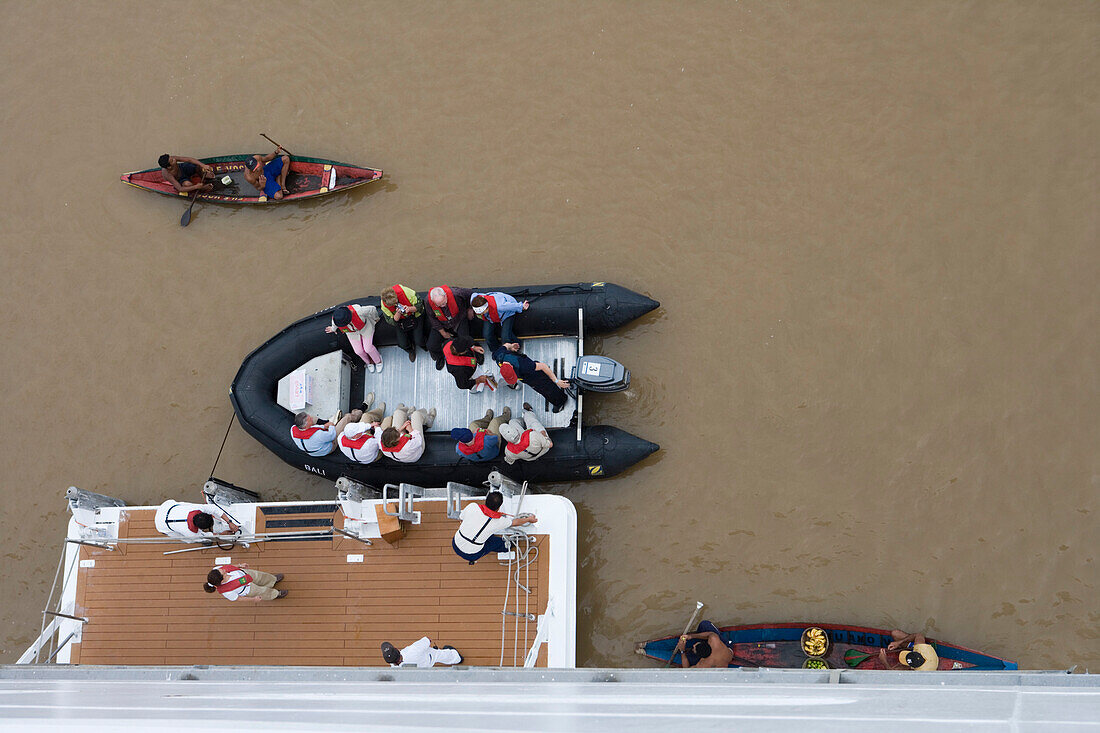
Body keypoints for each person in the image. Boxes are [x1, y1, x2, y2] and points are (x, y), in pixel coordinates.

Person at [451, 490, 537, 565]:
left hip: (455, 543)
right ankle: (509, 546)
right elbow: (515, 522)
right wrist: (529, 519)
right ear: (499, 507)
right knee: (498, 543)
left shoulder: (472, 506)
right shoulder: (499, 521)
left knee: (482, 535)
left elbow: (461, 518)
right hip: (472, 554)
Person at [490, 340, 570, 413]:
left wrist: (556, 381)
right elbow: (506, 345)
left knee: (547, 389)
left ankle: (560, 401)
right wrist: (512, 347)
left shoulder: (523, 365)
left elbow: (543, 366)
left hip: (534, 375)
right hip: (527, 373)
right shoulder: (499, 356)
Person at [426, 285, 475, 370]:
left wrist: (470, 308)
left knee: (464, 340)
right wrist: (442, 332)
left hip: (459, 320)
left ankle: (470, 356)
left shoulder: (457, 293)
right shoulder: (428, 302)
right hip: (442, 324)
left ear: (445, 296)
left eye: (444, 303)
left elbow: (472, 294)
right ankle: (440, 357)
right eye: (439, 305)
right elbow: (432, 318)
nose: (442, 306)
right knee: (431, 345)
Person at [326, 304, 383, 373]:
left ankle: (378, 360)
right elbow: (334, 325)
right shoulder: (336, 319)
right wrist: (333, 329)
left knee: (368, 348)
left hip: (365, 328)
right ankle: (368, 362)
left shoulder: (359, 311)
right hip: (352, 333)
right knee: (358, 351)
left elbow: (372, 309)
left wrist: (376, 318)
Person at [380, 284, 428, 362]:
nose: (396, 305)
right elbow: (391, 321)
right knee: (402, 344)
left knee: (419, 340)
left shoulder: (406, 292)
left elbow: (420, 306)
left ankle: (424, 345)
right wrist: (398, 314)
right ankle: (410, 350)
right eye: (393, 305)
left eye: (396, 303)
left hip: (415, 315)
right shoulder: (384, 305)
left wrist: (409, 309)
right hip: (401, 321)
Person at [154, 500, 240, 541]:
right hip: (162, 525)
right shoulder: (191, 533)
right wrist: (220, 534)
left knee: (183, 505)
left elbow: (214, 509)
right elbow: (202, 536)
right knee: (189, 540)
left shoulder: (196, 508)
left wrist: (229, 522)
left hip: (166, 507)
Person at [337, 394, 387, 464]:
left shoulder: (341, 437)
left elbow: (361, 428)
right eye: (360, 430)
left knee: (365, 416)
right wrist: (377, 428)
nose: (361, 429)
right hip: (373, 456)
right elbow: (380, 440)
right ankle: (386, 420)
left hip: (363, 447)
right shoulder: (369, 444)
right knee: (386, 428)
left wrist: (370, 425)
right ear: (355, 436)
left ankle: (379, 412)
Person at [291, 408, 359, 457]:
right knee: (347, 418)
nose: (311, 418)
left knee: (315, 419)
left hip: (312, 448)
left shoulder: (292, 429)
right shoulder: (318, 435)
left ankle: (327, 421)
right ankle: (359, 412)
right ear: (306, 425)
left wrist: (323, 426)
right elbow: (332, 435)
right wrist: (331, 425)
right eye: (310, 419)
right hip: (329, 447)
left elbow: (311, 429)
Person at [203, 563, 287, 601]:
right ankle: (275, 594)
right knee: (263, 592)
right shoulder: (227, 592)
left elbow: (228, 567)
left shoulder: (216, 570)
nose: (224, 570)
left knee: (261, 576)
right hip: (249, 589)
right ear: (222, 580)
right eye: (223, 572)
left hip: (246, 574)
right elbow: (239, 598)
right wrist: (253, 599)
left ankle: (272, 580)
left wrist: (239, 565)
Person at [381, 638, 462, 667]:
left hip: (423, 668)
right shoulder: (412, 650)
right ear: (397, 650)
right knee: (441, 655)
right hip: (429, 658)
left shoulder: (394, 668)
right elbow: (427, 640)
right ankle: (457, 658)